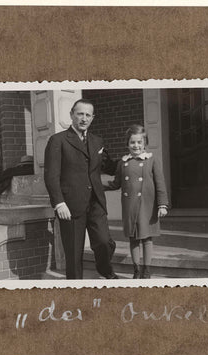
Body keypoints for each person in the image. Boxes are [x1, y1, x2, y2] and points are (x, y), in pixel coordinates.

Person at [44, 99, 118, 280]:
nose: (84, 118)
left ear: (92, 118)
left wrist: (132, 160)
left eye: (88, 115)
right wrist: (59, 203)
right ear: (71, 115)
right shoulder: (58, 140)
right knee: (74, 254)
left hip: (96, 203)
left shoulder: (97, 141)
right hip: (70, 206)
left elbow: (110, 167)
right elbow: (51, 175)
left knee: (104, 242)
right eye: (80, 114)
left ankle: (105, 270)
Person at [104, 124, 169, 279]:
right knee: (133, 239)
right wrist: (98, 186)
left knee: (147, 238)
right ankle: (136, 269)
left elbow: (160, 183)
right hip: (129, 206)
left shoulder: (151, 160)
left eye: (139, 142)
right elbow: (116, 183)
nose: (136, 145)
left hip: (147, 205)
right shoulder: (123, 162)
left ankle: (146, 271)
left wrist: (162, 204)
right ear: (127, 144)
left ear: (144, 143)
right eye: (132, 142)